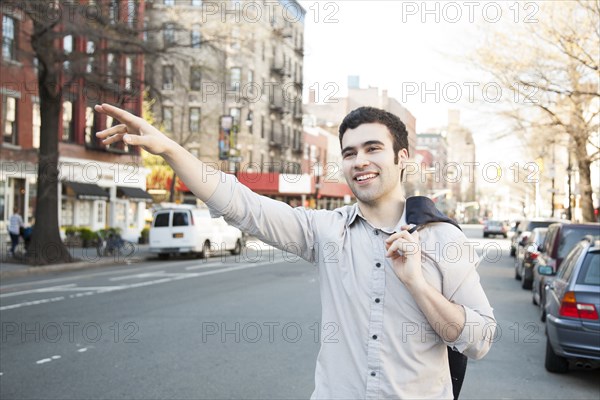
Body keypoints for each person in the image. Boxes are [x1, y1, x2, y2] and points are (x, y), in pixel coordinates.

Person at [95, 104, 496, 399]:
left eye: (373, 148)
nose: (360, 161)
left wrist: (418, 285)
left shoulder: (443, 239)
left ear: (402, 158)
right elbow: (244, 205)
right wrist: (170, 149)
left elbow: (479, 340)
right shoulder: (325, 230)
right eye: (350, 152)